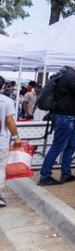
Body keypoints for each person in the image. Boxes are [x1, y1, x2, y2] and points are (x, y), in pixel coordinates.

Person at [0, 75, 23, 207]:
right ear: (3, 86)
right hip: (1, 142)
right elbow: (9, 121)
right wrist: (16, 137)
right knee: (0, 168)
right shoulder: (7, 101)